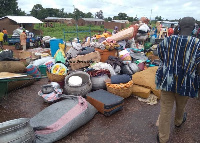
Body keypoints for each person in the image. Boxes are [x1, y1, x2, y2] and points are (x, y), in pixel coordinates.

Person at [156, 17, 200, 143]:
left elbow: (160, 54)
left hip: (167, 81)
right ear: (194, 28)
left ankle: (163, 138)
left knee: (165, 109)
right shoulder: (197, 44)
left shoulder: (168, 40)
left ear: (179, 26)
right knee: (181, 106)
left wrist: (170, 64)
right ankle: (178, 122)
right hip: (185, 83)